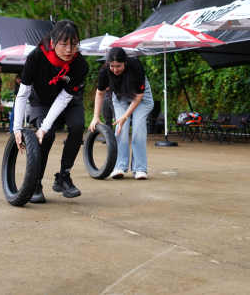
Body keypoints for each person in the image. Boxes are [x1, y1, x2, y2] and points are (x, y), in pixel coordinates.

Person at [13, 20, 89, 203]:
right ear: (53, 42)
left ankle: (63, 177)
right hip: (42, 100)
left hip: (68, 99)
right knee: (46, 136)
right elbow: (23, 94)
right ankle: (36, 183)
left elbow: (64, 98)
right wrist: (17, 128)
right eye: (64, 44)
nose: (69, 50)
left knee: (78, 125)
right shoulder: (36, 57)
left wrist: (45, 125)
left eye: (74, 45)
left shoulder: (80, 65)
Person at [89, 48, 154, 180]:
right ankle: (119, 166)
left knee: (138, 128)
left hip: (141, 99)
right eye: (112, 66)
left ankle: (140, 168)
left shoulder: (136, 67)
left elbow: (138, 97)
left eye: (118, 66)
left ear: (125, 62)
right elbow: (100, 93)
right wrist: (95, 116)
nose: (115, 69)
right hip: (120, 97)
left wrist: (125, 117)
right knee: (120, 129)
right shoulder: (105, 72)